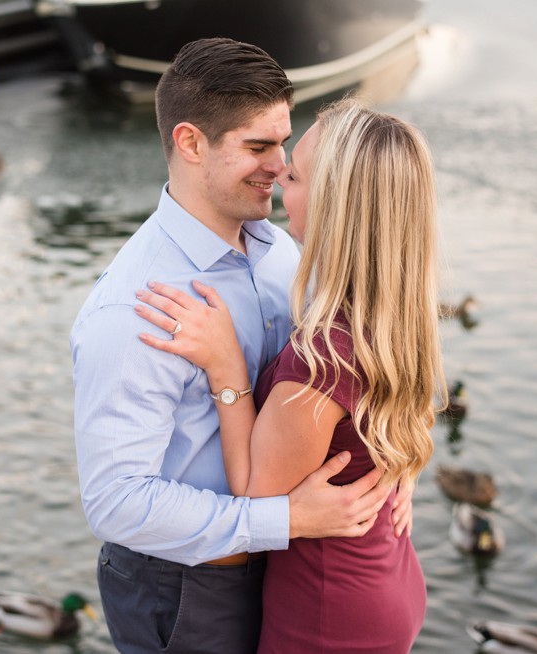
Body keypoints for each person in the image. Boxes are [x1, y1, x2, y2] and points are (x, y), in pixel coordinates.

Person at [70, 39, 413, 654]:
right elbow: (116, 503)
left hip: (288, 568)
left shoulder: (284, 253)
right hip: (188, 589)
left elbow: (360, 366)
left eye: (284, 144)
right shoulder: (136, 308)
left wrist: (390, 462)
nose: (280, 167)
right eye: (258, 147)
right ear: (191, 143)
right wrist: (286, 520)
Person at [135, 97, 443, 653]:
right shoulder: (397, 312)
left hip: (330, 609)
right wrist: (402, 469)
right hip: (389, 566)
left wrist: (226, 368)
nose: (278, 179)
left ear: (335, 204)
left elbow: (256, 494)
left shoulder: (323, 357)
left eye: (295, 174)